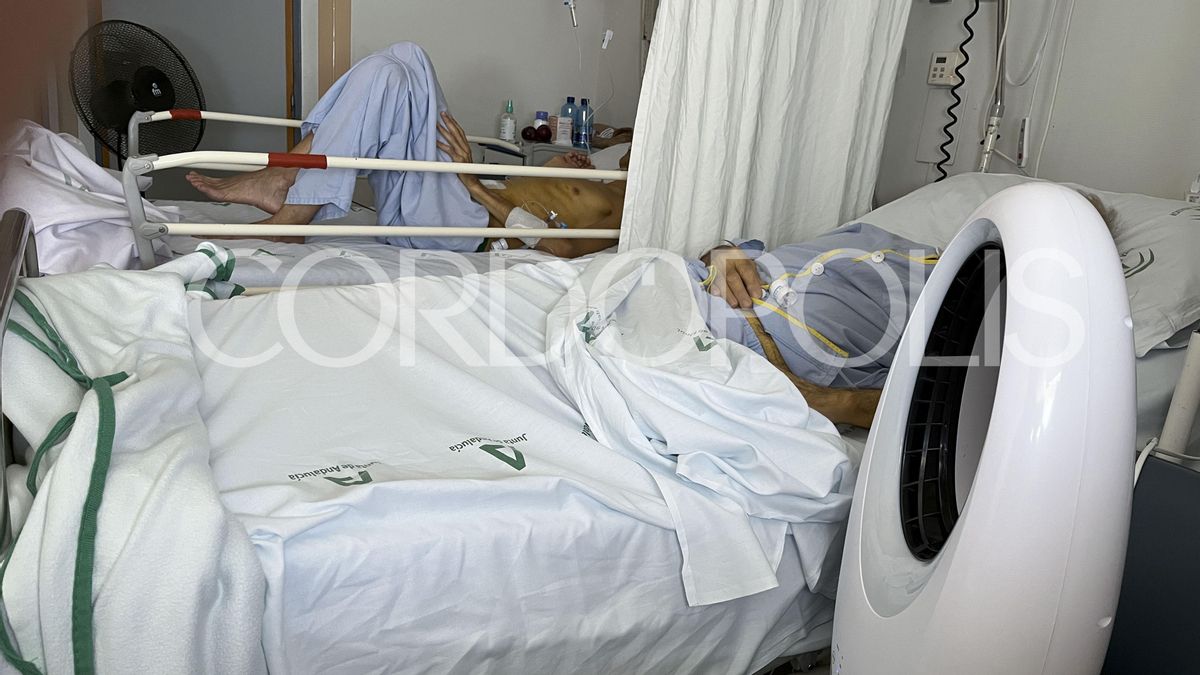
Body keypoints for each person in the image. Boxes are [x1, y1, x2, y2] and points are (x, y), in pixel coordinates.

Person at [186, 42, 624, 257]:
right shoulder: (606, 176)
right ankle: (286, 180)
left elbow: (559, 251)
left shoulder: (630, 209)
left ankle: (287, 194)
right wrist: (560, 165)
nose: (630, 151)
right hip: (446, 202)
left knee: (398, 67)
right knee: (401, 61)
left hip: (469, 228)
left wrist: (471, 182)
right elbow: (534, 196)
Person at [691, 223, 940, 428]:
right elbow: (732, 251)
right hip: (687, 284)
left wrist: (834, 402)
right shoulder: (869, 234)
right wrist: (721, 255)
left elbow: (928, 407)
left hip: (729, 356)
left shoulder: (949, 337)